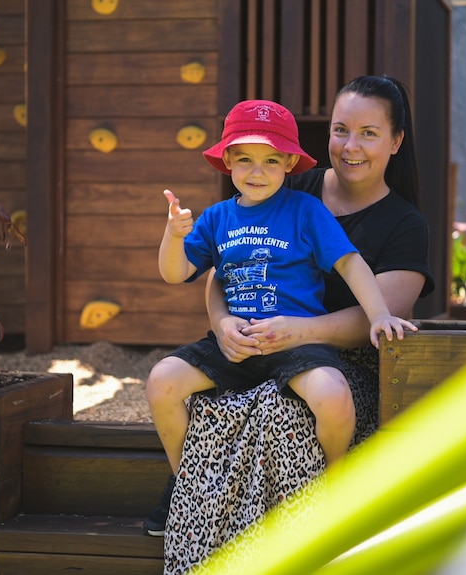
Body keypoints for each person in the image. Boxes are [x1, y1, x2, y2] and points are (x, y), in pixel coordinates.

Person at [159, 76, 435, 574]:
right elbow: (226, 270)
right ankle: (195, 506)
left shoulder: (403, 223)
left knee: (281, 413)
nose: (351, 146)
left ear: (395, 142)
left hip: (340, 360)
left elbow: (378, 317)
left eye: (369, 133)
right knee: (205, 394)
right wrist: (223, 325)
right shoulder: (285, 184)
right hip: (253, 344)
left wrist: (297, 331)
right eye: (340, 129)